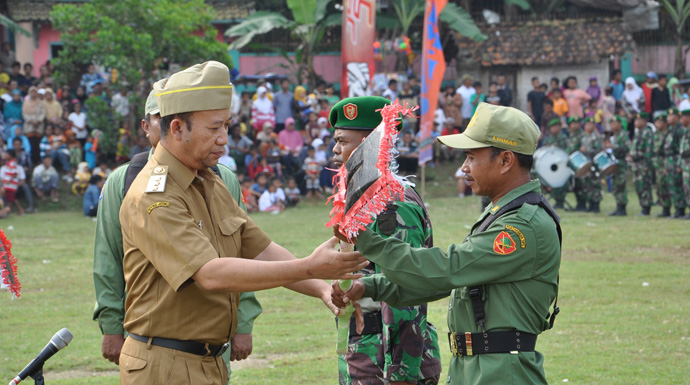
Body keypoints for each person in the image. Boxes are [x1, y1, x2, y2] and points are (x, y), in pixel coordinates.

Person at [117, 61, 367, 385]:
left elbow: (258, 249)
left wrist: (320, 288)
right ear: (177, 129)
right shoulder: (154, 195)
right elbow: (210, 273)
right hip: (165, 365)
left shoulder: (208, 180)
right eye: (213, 128)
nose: (224, 138)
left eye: (227, 126)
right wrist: (310, 268)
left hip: (207, 362)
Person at [331, 102, 561, 385]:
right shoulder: (502, 215)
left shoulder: (520, 226)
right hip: (480, 366)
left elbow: (446, 269)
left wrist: (364, 238)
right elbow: (445, 281)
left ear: (505, 161)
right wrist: (370, 286)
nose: (463, 167)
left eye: (472, 157)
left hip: (501, 372)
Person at [93, 90, 261, 380]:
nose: (221, 137)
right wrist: (111, 325)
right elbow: (109, 257)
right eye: (162, 119)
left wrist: (243, 322)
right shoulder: (128, 181)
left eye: (225, 127)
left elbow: (242, 250)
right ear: (149, 127)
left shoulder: (219, 178)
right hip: (162, 341)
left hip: (211, 344)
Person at [329, 96, 442, 385]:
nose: (335, 150)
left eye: (343, 141)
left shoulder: (389, 204)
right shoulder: (365, 198)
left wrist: (401, 373)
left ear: (370, 143)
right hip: (366, 351)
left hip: (388, 359)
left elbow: (405, 288)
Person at [628, 112, 655, 216]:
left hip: (643, 162)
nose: (637, 122)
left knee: (644, 185)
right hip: (636, 163)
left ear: (645, 121)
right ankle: (643, 206)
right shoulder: (638, 132)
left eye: (639, 120)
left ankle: (646, 207)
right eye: (636, 120)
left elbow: (649, 149)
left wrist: (647, 164)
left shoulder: (647, 132)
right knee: (638, 185)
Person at [664, 108, 686, 218]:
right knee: (672, 185)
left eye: (671, 116)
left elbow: (680, 149)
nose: (668, 118)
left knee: (678, 186)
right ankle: (677, 208)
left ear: (677, 117)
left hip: (676, 160)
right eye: (668, 116)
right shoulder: (670, 129)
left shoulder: (680, 130)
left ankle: (681, 209)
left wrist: (679, 164)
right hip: (669, 160)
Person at [606, 116, 631, 216]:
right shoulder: (614, 136)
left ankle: (622, 208)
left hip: (621, 163)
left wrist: (613, 148)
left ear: (620, 124)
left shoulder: (623, 135)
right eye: (611, 124)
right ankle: (618, 206)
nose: (613, 126)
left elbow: (626, 147)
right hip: (614, 163)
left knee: (621, 185)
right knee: (616, 185)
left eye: (615, 123)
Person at [543, 118, 569, 208]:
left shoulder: (563, 138)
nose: (553, 129)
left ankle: (560, 201)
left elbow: (566, 151)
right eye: (552, 127)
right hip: (551, 165)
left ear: (559, 127)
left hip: (561, 164)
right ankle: (557, 200)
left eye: (555, 127)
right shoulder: (549, 139)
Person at [580, 117, 603, 212]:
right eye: (587, 124)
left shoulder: (597, 136)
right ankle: (590, 204)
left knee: (595, 184)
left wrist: (587, 151)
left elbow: (598, 150)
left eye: (591, 124)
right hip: (587, 164)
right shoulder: (584, 137)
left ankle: (596, 205)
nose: (589, 126)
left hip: (595, 163)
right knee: (587, 184)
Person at [565, 116, 587, 211]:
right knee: (576, 185)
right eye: (572, 124)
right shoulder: (571, 135)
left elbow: (584, 148)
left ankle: (583, 204)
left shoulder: (583, 135)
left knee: (582, 185)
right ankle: (579, 204)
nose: (574, 125)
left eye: (576, 123)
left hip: (580, 162)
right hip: (572, 164)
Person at [652, 112, 671, 217]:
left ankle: (676, 209)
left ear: (665, 123)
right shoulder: (656, 135)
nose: (657, 124)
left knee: (667, 186)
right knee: (660, 187)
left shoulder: (668, 134)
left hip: (666, 163)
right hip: (657, 164)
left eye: (659, 122)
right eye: (656, 122)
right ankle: (665, 209)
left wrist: (665, 166)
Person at [0, 149, 25, 215]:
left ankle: (20, 210)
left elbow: (15, 173)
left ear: (10, 155)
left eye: (7, 154)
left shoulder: (12, 163)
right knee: (10, 198)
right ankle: (8, 210)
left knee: (12, 198)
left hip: (11, 184)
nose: (5, 155)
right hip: (9, 184)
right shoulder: (9, 162)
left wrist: (9, 181)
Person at [679, 109, 690, 219]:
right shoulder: (685, 131)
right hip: (686, 164)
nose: (681, 120)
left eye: (683, 117)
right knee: (687, 188)